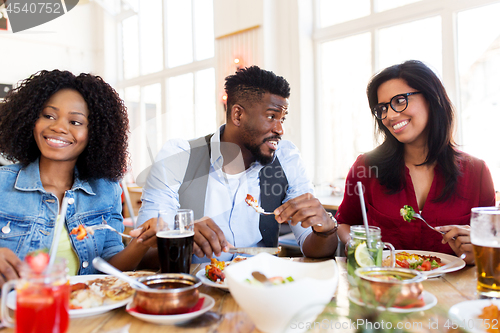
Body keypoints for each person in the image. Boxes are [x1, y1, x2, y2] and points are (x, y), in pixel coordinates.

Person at [138, 65, 338, 262]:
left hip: (262, 286)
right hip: (197, 288)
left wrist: (326, 230)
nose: (280, 129)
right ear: (238, 115)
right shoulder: (179, 157)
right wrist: (182, 237)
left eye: (282, 119)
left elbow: (313, 247)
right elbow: (142, 253)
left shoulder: (287, 158)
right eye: (271, 117)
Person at [0, 70, 156, 286]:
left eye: (75, 122)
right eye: (48, 115)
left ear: (95, 134)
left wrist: (141, 243)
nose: (59, 127)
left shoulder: (106, 190)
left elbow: (111, 267)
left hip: (87, 314)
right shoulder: (2, 185)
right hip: (17, 314)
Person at [335, 60, 495, 265]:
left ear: (431, 98)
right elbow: (345, 222)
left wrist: (478, 251)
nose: (390, 115)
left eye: (400, 101)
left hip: (455, 292)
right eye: (382, 108)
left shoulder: (477, 172)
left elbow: (491, 246)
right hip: (385, 289)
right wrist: (359, 246)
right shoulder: (366, 167)